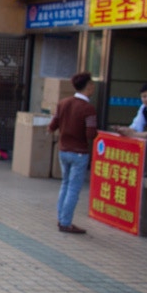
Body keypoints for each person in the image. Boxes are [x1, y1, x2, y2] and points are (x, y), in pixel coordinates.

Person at [48, 71, 97, 234]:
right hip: (80, 153)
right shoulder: (88, 109)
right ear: (88, 87)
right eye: (92, 84)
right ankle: (66, 222)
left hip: (63, 150)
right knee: (74, 188)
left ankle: (61, 217)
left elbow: (53, 125)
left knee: (65, 184)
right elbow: (91, 134)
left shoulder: (63, 103)